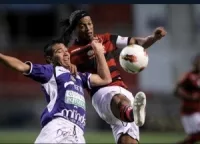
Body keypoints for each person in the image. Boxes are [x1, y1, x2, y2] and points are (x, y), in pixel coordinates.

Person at [60, 10, 167, 144]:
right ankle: (133, 113)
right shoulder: (71, 53)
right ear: (75, 28)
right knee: (119, 100)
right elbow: (61, 73)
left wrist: (154, 38)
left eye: (90, 24)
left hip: (123, 89)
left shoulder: (105, 39)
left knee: (128, 142)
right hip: (101, 93)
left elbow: (135, 42)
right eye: (82, 25)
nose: (88, 28)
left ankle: (131, 113)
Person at [0, 39, 112, 143]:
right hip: (57, 127)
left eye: (66, 50)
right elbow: (21, 66)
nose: (66, 53)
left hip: (78, 133)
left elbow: (105, 79)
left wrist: (99, 52)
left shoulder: (79, 76)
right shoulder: (51, 71)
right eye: (59, 51)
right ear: (50, 59)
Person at [174, 54, 200, 144]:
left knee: (194, 137)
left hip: (198, 111)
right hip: (190, 112)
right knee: (196, 136)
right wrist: (189, 96)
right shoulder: (189, 76)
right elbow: (176, 90)